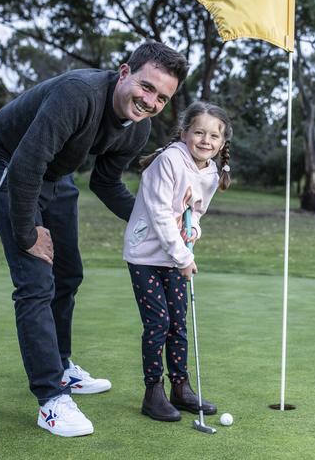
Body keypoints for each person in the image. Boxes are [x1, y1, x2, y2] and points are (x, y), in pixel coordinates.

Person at [0, 41, 189, 436]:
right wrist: (27, 234)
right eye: (146, 86)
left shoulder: (137, 130)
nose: (150, 101)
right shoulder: (79, 93)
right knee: (36, 280)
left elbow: (106, 183)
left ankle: (61, 365)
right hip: (5, 163)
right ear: (124, 72)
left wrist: (163, 221)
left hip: (55, 174)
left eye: (161, 97)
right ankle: (51, 400)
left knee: (68, 274)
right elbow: (26, 164)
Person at [123, 101, 232, 422]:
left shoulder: (211, 172)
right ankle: (152, 392)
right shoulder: (169, 160)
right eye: (199, 132)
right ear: (184, 133)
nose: (205, 140)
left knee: (178, 325)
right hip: (145, 253)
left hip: (175, 254)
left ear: (222, 143)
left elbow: (196, 212)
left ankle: (180, 387)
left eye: (214, 136)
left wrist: (193, 230)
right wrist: (184, 256)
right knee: (158, 323)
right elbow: (158, 212)